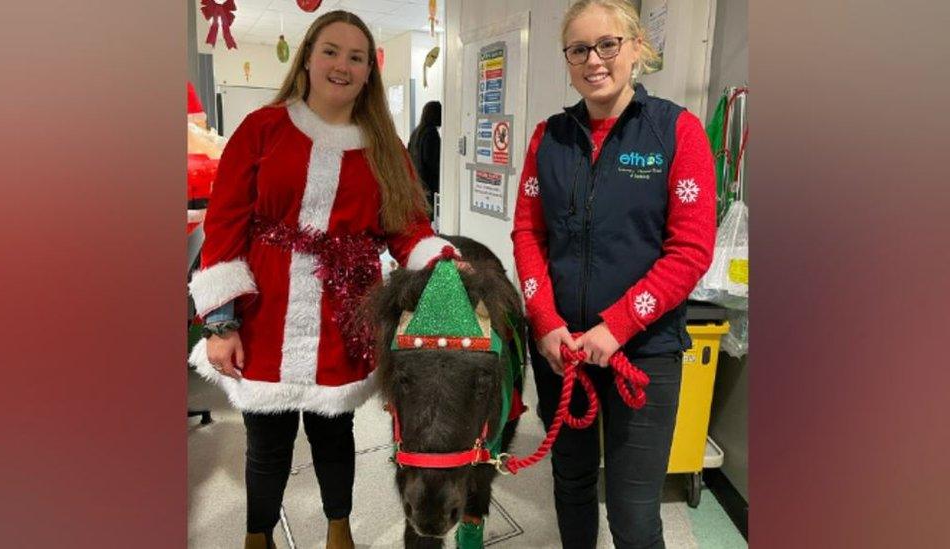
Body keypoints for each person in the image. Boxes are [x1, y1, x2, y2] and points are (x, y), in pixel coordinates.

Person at [186, 10, 459, 549]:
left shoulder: (384, 147)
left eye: (356, 57)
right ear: (308, 58)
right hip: (265, 314)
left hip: (345, 315)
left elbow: (408, 229)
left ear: (368, 73)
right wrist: (219, 323)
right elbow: (224, 224)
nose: (342, 65)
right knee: (268, 442)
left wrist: (441, 263)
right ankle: (257, 536)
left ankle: (340, 531)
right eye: (331, 51)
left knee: (335, 435)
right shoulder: (261, 129)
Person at [511, 1, 717, 547]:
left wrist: (619, 325)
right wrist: (545, 321)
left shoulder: (677, 131)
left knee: (633, 510)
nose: (594, 60)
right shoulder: (547, 138)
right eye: (578, 49)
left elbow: (691, 250)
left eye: (608, 45)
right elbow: (529, 236)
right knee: (572, 483)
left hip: (642, 352)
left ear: (636, 49)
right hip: (561, 350)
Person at [407, 100, 442, 217]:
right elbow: (432, 161)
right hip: (428, 183)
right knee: (429, 215)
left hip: (416, 182)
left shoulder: (416, 132)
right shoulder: (431, 133)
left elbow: (408, 154)